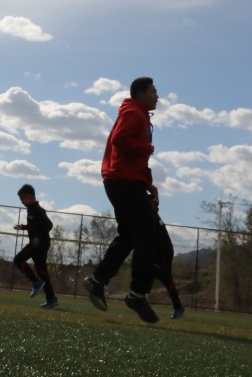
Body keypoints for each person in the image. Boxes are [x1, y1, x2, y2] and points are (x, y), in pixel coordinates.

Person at [83, 76, 161, 323]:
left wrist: (147, 184)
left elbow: (132, 156)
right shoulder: (134, 114)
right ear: (140, 94)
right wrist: (145, 148)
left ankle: (98, 280)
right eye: (153, 92)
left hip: (123, 180)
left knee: (129, 234)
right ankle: (137, 294)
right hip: (123, 181)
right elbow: (120, 140)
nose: (157, 96)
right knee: (148, 235)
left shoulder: (138, 114)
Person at [12, 184, 58, 309]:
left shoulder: (37, 210)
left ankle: (35, 282)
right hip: (39, 243)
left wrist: (38, 237)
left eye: (22, 199)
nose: (21, 201)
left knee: (18, 260)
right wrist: (23, 227)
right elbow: (34, 225)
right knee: (42, 271)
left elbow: (49, 225)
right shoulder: (32, 209)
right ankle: (51, 298)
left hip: (39, 243)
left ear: (29, 196)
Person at [152, 197, 185, 319]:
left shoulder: (153, 217)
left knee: (155, 274)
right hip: (162, 252)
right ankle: (178, 307)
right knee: (166, 279)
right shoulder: (153, 216)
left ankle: (139, 298)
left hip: (163, 253)